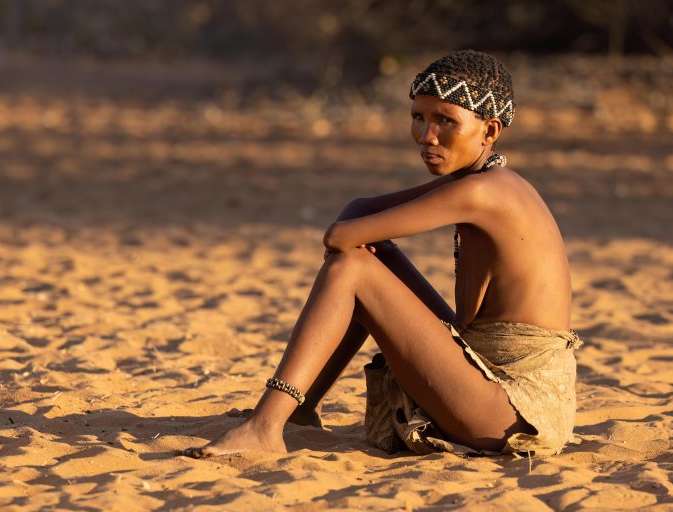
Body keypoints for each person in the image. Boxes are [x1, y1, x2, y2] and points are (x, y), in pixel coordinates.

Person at [184, 49, 581, 458]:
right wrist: (356, 233)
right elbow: (359, 210)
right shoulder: (482, 181)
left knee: (353, 269)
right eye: (418, 118)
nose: (427, 136)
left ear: (490, 130)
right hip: (483, 372)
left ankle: (266, 425)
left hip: (514, 410)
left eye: (446, 121)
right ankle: (299, 411)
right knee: (364, 263)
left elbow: (340, 236)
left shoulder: (485, 192)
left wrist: (353, 239)